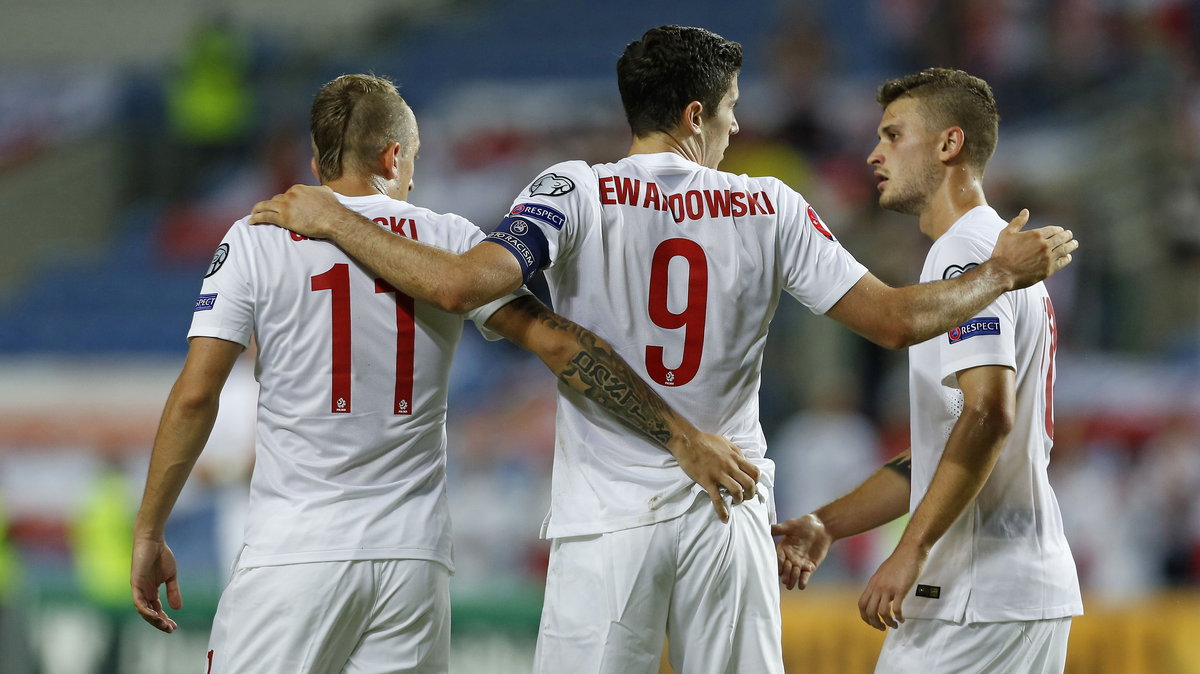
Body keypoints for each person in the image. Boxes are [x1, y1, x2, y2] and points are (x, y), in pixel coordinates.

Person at [249, 27, 1077, 674]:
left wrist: (335, 218)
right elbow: (896, 320)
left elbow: (464, 286)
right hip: (730, 511)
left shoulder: (569, 188)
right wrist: (994, 275)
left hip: (607, 526)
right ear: (695, 116)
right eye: (730, 109)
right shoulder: (769, 204)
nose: (738, 124)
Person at [130, 73, 758, 674]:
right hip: (413, 564)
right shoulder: (451, 241)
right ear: (394, 156)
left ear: (319, 167)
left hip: (294, 553)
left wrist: (150, 530)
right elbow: (563, 346)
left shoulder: (257, 239)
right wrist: (679, 435)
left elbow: (195, 397)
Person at [773, 67, 1083, 673]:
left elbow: (989, 413)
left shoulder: (967, 255)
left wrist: (909, 550)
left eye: (892, 136)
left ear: (948, 144)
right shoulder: (997, 254)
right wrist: (827, 524)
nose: (873, 154)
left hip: (975, 595)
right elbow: (945, 450)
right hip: (1018, 590)